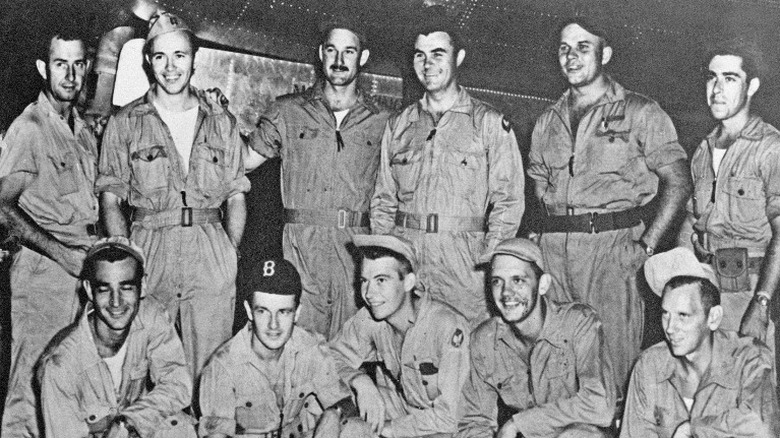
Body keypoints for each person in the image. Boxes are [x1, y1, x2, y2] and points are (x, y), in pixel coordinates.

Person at [527, 18, 692, 392]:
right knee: (556, 368)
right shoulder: (546, 121)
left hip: (610, 251)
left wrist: (645, 246)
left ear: (605, 54)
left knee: (611, 370)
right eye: (564, 49)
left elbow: (678, 183)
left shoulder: (640, 112)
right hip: (554, 254)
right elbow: (538, 186)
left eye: (583, 47)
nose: (571, 57)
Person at [97, 12, 249, 380]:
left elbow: (236, 195)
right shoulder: (126, 122)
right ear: (148, 60)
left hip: (209, 250)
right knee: (145, 367)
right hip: (150, 250)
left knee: (211, 372)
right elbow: (111, 197)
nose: (171, 67)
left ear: (194, 59)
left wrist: (229, 252)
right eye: (161, 56)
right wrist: (125, 253)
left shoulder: (220, 120)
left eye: (180, 55)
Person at [370, 7, 525, 326]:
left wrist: (487, 264)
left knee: (464, 358)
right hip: (409, 265)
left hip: (464, 270)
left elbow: (508, 203)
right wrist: (387, 265)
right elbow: (383, 201)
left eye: (438, 54)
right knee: (406, 355)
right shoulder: (399, 126)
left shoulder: (489, 124)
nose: (427, 65)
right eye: (419, 55)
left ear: (459, 57)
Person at [245, 18, 391, 339]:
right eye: (332, 50)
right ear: (321, 54)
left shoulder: (383, 121)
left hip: (356, 249)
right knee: (300, 345)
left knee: (349, 349)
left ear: (362, 58)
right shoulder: (287, 111)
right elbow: (242, 162)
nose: (339, 61)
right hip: (300, 245)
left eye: (348, 52)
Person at [0, 25, 99, 436]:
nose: (71, 76)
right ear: (45, 68)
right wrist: (62, 255)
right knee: (28, 388)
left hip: (80, 272)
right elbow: (2, 209)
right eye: (61, 65)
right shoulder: (31, 128)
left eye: (78, 65)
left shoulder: (83, 131)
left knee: (63, 387)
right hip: (45, 274)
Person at [679, 37, 780, 378]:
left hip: (747, 287)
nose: (717, 89)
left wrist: (761, 304)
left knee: (748, 390)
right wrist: (679, 280)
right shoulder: (702, 150)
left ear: (752, 85)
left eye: (730, 78)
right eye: (712, 77)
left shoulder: (770, 149)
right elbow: (692, 219)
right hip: (705, 285)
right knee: (703, 389)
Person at [457, 238, 616, 438]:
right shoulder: (485, 340)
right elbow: (473, 421)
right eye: (497, 281)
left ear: (542, 285)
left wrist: (519, 423)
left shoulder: (578, 323)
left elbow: (600, 404)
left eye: (518, 280)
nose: (506, 292)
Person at [37, 237, 195, 438]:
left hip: (131, 429)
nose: (116, 302)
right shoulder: (61, 366)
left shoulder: (151, 317)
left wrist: (129, 422)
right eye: (104, 289)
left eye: (126, 287)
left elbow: (178, 383)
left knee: (178, 427)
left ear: (143, 286)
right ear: (88, 290)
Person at [621, 247, 779, 437]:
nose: (670, 328)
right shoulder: (649, 366)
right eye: (665, 314)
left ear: (713, 318)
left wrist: (693, 429)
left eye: (683, 315)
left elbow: (762, 427)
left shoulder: (749, 359)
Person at [329, 234, 471, 437]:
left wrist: (389, 429)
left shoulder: (447, 326)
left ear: (408, 282)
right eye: (364, 281)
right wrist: (359, 380)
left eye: (381, 280)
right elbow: (327, 358)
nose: (368, 293)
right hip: (400, 418)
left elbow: (450, 418)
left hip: (446, 430)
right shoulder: (371, 318)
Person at [198, 257, 356, 438]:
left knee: (356, 429)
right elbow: (216, 433)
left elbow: (345, 401)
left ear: (297, 313)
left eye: (283, 312)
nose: (273, 325)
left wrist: (333, 413)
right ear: (249, 311)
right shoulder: (223, 365)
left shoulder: (311, 347)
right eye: (262, 311)